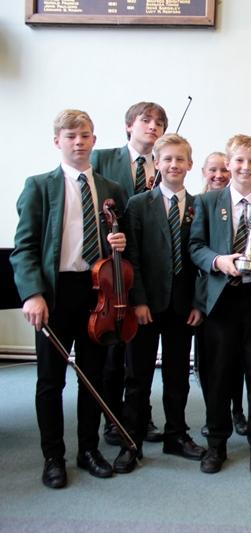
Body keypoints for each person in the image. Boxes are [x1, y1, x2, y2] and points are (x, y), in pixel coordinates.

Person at [11, 109, 128, 488]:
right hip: (55, 293)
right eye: (71, 135)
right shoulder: (39, 186)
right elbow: (24, 248)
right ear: (57, 141)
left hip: (98, 294)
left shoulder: (111, 189)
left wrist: (119, 243)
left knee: (92, 375)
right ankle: (53, 456)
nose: (79, 142)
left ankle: (88, 449)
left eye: (86, 135)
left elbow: (121, 242)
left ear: (95, 140)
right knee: (50, 380)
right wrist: (32, 294)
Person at [189, 134, 251, 475]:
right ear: (228, 163)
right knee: (218, 376)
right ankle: (216, 444)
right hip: (221, 303)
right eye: (239, 161)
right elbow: (196, 246)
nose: (245, 167)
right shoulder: (208, 202)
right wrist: (218, 262)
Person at [112, 134, 205, 473]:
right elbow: (131, 256)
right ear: (157, 164)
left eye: (180, 160)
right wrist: (138, 301)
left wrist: (199, 302)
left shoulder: (201, 206)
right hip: (146, 306)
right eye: (167, 159)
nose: (174, 165)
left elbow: (200, 261)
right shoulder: (139, 204)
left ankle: (176, 435)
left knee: (178, 375)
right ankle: (130, 441)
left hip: (183, 306)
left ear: (190, 165)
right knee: (137, 377)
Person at [91, 101, 168, 446]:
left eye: (159, 123)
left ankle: (141, 413)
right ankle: (111, 418)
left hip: (147, 269)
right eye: (146, 120)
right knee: (113, 352)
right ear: (128, 125)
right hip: (110, 269)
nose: (153, 127)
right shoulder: (103, 159)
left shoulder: (165, 165)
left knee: (140, 354)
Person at [196, 152, 248, 437]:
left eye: (222, 170)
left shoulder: (249, 205)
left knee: (237, 360)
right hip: (206, 299)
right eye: (212, 170)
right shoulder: (201, 204)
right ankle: (214, 415)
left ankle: (237, 410)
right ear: (203, 171)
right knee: (211, 363)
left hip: (240, 298)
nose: (218, 175)